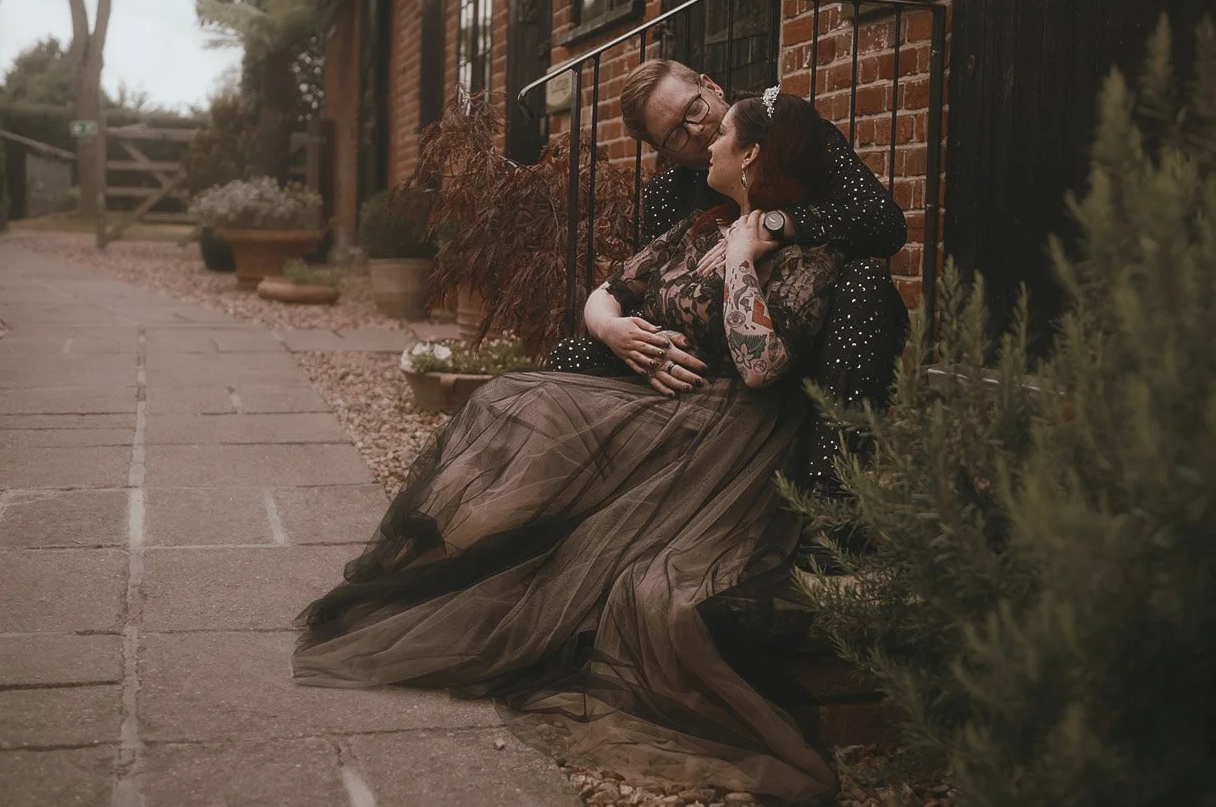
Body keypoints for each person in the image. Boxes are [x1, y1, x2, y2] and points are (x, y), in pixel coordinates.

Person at [295, 90, 852, 803]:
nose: (707, 145)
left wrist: (743, 261)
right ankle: (469, 559)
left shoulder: (806, 253)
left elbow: (760, 366)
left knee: (635, 566)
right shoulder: (696, 227)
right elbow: (608, 289)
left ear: (749, 156)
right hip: (655, 407)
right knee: (515, 404)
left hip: (722, 434)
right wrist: (613, 329)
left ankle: (503, 574)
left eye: (723, 138)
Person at [549, 59, 909, 499]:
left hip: (800, 345)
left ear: (711, 84)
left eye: (695, 110)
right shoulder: (671, 199)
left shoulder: (795, 139)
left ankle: (828, 485)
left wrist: (771, 226)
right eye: (676, 134)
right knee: (572, 359)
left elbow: (883, 224)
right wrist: (634, 342)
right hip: (697, 363)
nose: (697, 132)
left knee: (868, 284)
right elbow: (634, 289)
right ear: (663, 150)